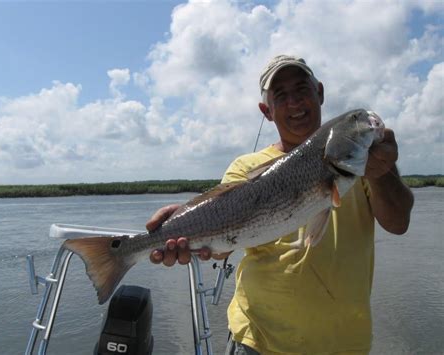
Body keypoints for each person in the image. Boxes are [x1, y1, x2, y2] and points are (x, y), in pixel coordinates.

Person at [146, 55, 414, 354]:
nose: (295, 103)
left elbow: (398, 223)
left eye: (302, 90)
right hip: (258, 342)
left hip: (345, 344)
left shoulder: (367, 163)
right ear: (267, 110)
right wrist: (182, 227)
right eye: (281, 96)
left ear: (320, 93)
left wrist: (384, 174)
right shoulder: (244, 168)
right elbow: (222, 247)